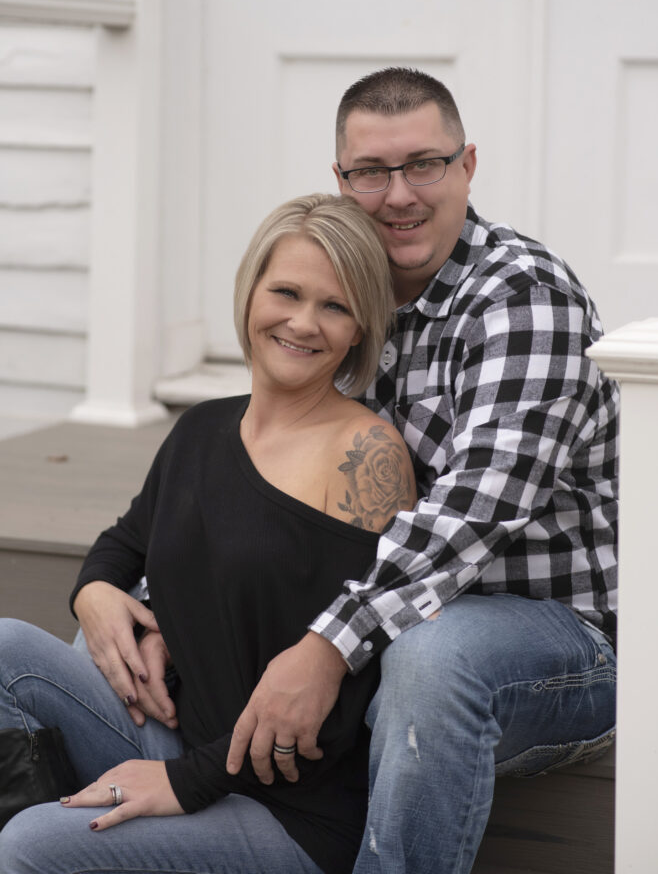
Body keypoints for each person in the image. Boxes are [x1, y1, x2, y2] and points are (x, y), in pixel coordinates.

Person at [224, 68, 619, 873]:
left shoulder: (525, 298)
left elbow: (476, 510)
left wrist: (327, 645)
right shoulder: (341, 293)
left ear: (467, 166)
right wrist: (137, 590)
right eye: (372, 172)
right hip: (396, 614)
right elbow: (274, 468)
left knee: (433, 659)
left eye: (424, 165)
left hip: (558, 644)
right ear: (342, 180)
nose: (399, 195)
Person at [0, 193, 417, 874]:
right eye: (286, 292)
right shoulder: (202, 428)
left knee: (30, 844)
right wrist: (94, 593)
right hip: (176, 744)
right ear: (250, 293)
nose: (303, 322)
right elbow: (126, 539)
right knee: (6, 648)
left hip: (286, 809)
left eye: (335, 307)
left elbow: (346, 695)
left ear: (359, 330)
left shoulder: (364, 455)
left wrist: (183, 782)